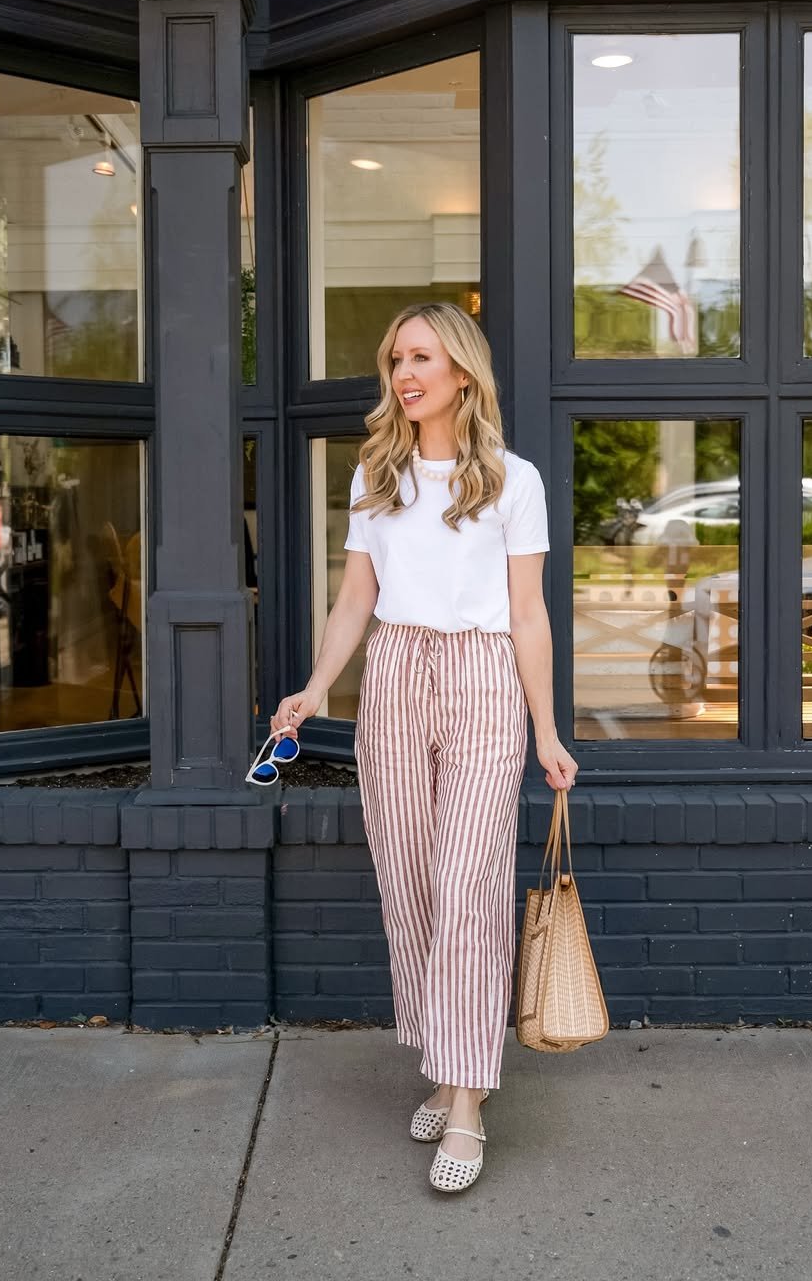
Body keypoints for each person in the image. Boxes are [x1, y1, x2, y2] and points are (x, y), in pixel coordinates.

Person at [268, 301, 576, 1194]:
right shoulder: (378, 473)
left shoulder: (513, 482)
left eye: (422, 359)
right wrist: (319, 685)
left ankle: (470, 1101)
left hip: (482, 682)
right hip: (395, 679)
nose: (405, 375)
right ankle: (446, 1062)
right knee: (408, 883)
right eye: (397, 358)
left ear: (463, 374)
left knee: (471, 883)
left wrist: (547, 731)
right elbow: (355, 599)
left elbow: (528, 615)